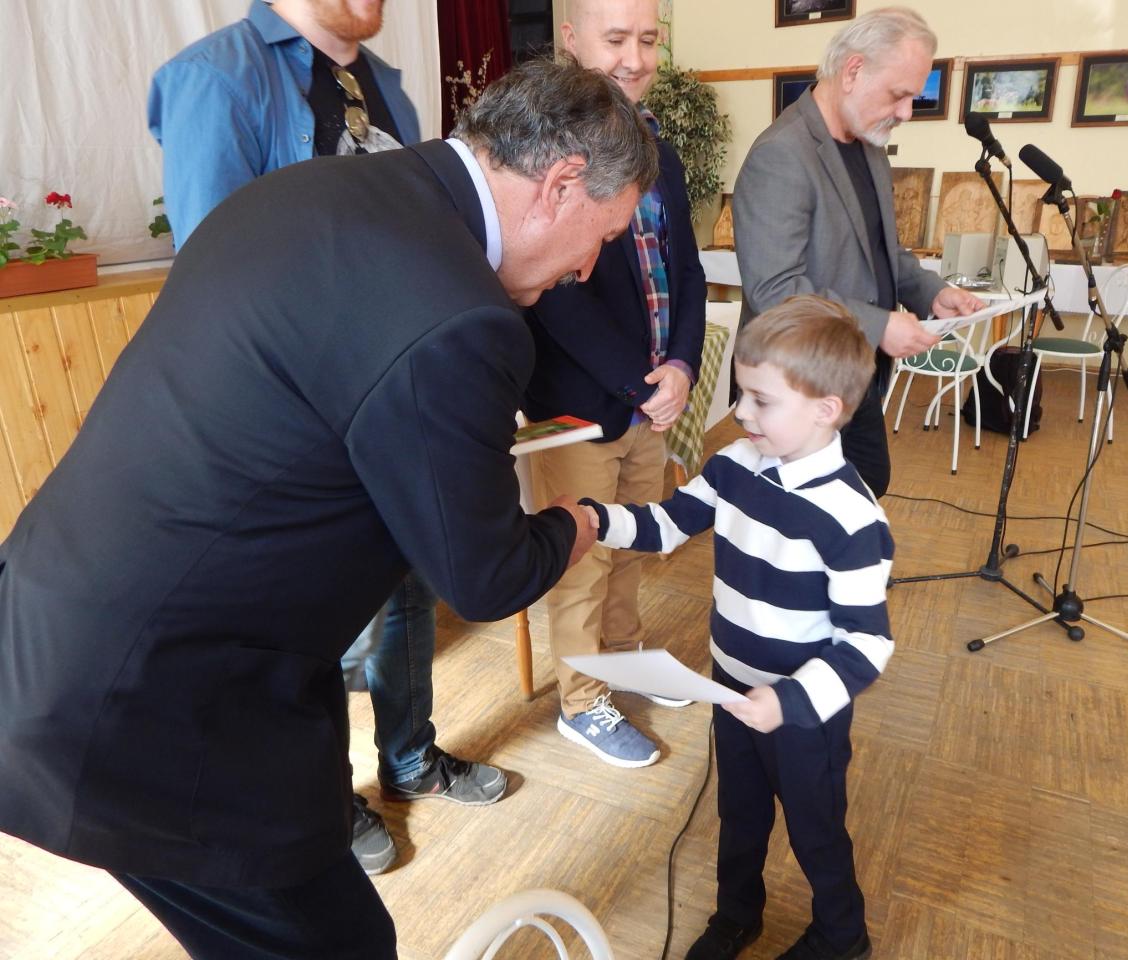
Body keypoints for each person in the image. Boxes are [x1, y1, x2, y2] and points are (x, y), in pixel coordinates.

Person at [0, 59, 656, 960]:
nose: (588, 267)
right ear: (562, 183)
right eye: (603, 237)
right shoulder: (460, 317)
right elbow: (485, 575)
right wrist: (575, 522)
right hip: (151, 709)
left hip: (49, 622)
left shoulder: (309, 192)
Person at [148, 0, 505, 879]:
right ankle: (322, 797)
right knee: (312, 618)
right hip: (293, 422)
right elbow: (216, 275)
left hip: (386, 395)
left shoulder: (388, 88)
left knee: (407, 588)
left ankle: (410, 758)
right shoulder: (214, 81)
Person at [578, 295, 892, 960]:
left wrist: (790, 701)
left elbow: (867, 643)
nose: (742, 413)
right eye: (741, 394)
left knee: (814, 827)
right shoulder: (734, 464)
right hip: (730, 686)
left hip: (801, 712)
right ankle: (736, 914)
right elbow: (668, 523)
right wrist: (598, 519)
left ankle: (843, 936)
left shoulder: (853, 519)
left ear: (825, 409)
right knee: (739, 811)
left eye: (760, 400)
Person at [523, 0, 707, 767]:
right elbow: (556, 294)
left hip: (648, 402)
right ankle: (582, 701)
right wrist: (642, 384)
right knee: (583, 558)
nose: (635, 58)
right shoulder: (543, 145)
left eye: (649, 40)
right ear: (571, 39)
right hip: (581, 407)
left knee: (632, 545)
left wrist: (684, 366)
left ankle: (627, 658)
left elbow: (688, 269)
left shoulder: (659, 144)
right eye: (617, 39)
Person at [733, 6, 983, 498]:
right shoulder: (781, 154)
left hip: (852, 371)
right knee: (810, 510)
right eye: (898, 94)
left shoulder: (868, 146)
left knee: (862, 487)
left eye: (913, 98)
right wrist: (878, 324)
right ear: (852, 71)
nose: (906, 113)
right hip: (798, 384)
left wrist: (931, 292)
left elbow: (882, 250)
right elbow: (773, 290)